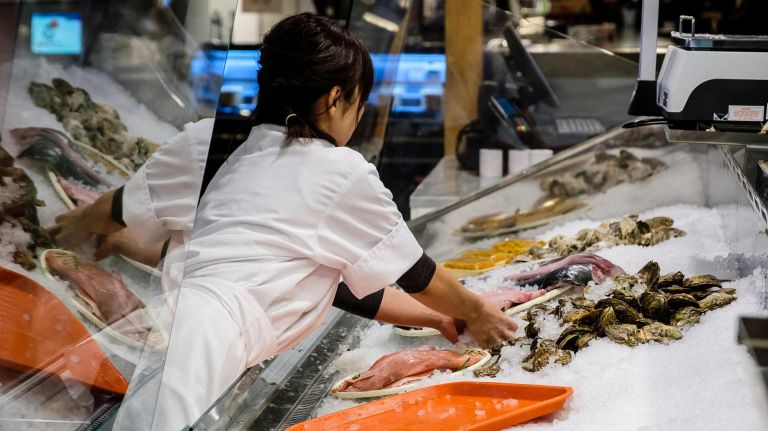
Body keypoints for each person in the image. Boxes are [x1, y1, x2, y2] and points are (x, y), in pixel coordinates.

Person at [51, 13, 518, 430]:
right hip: (202, 358)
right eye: (360, 105)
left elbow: (115, 210)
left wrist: (75, 223)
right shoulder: (339, 170)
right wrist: (474, 310)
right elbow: (416, 274)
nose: (357, 119)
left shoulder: (211, 144)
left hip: (174, 339)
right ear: (335, 99)